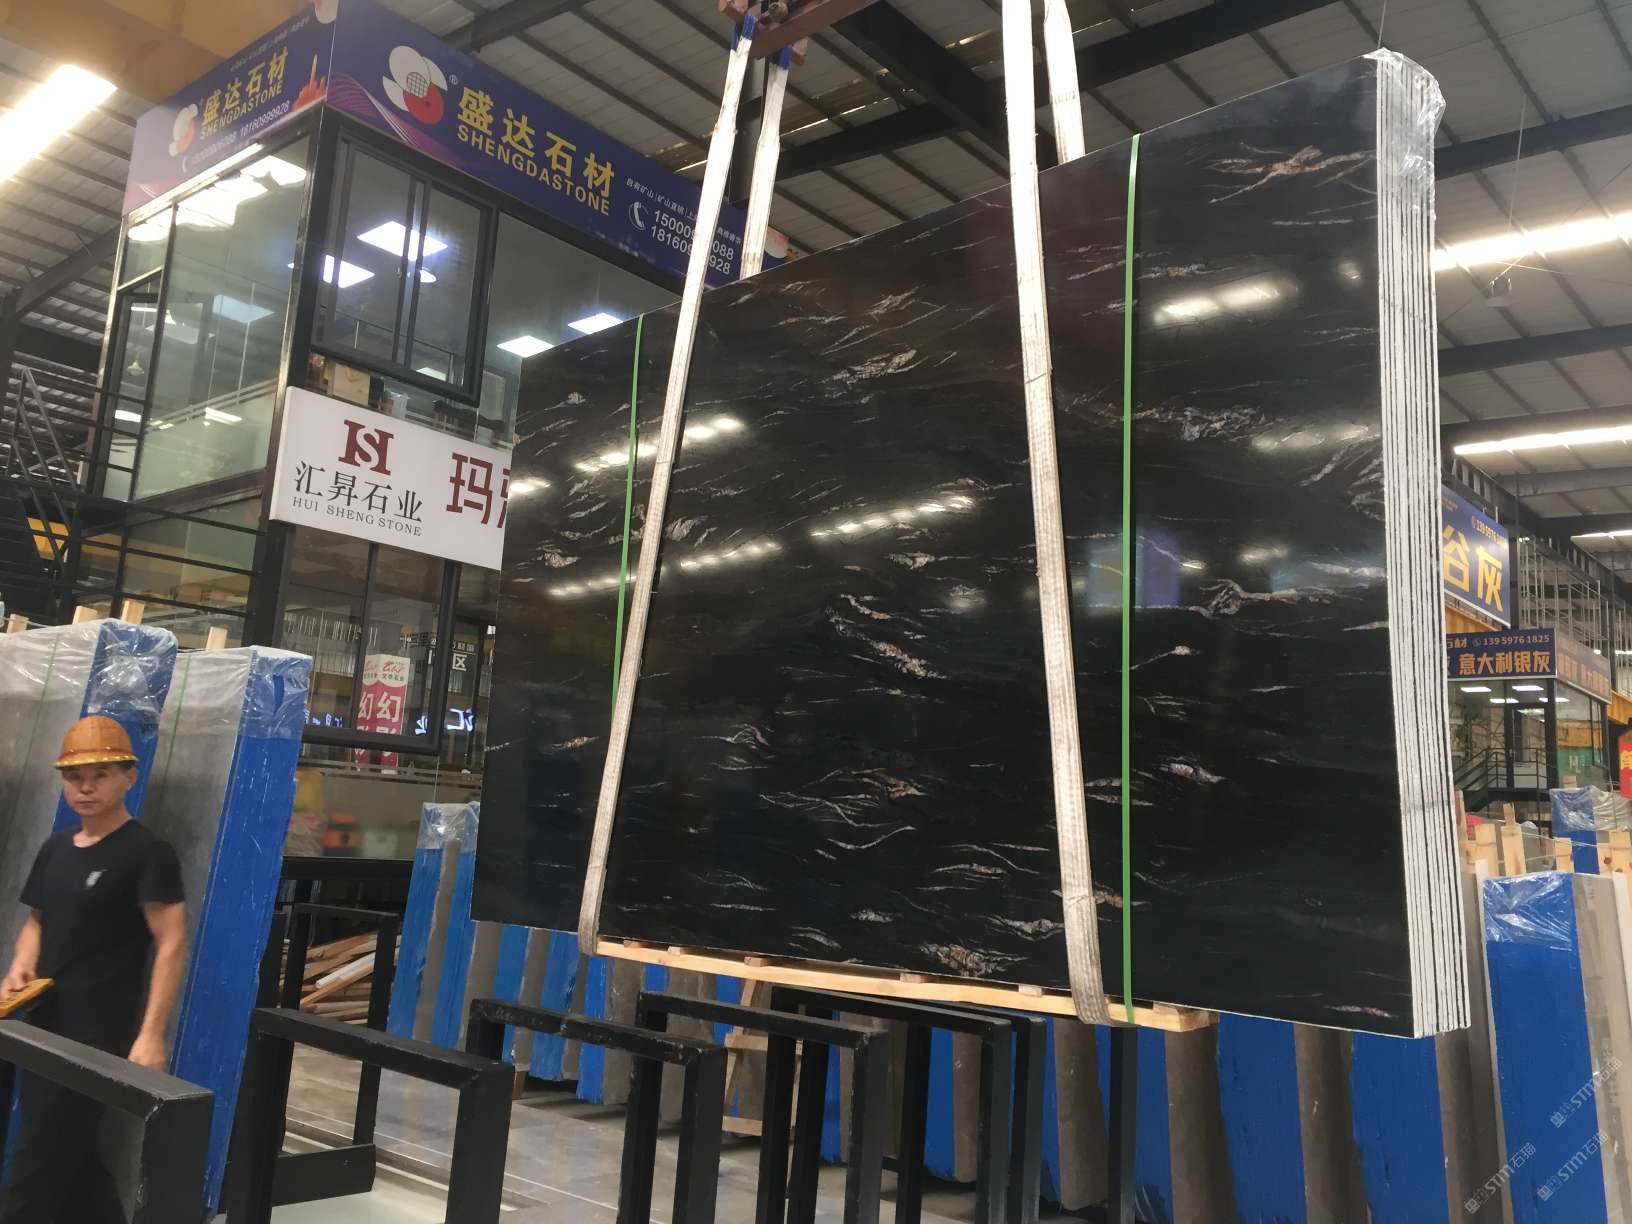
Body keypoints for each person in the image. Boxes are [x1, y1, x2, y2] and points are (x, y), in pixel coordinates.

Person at [0, 715, 187, 1224]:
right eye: (74, 776)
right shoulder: (56, 848)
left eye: (100, 774)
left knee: (41, 1152)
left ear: (129, 776)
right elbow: (37, 919)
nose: (85, 787)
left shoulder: (147, 853)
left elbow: (171, 942)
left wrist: (151, 1034)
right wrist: (20, 965)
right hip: (43, 1019)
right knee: (72, 1151)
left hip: (97, 1030)